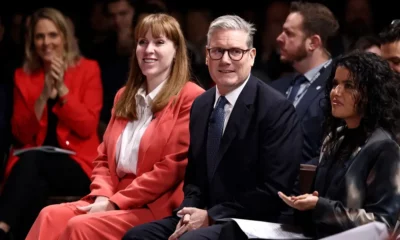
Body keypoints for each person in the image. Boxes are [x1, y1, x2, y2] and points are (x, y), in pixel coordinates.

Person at [123, 14, 303, 240]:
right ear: (207, 56)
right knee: (138, 236)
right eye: (217, 51)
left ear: (252, 56)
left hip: (254, 221)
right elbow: (194, 179)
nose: (225, 60)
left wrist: (211, 215)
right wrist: (189, 211)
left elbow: (274, 190)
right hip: (205, 215)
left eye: (235, 51)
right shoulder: (202, 104)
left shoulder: (276, 109)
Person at [26, 13, 204, 240]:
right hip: (111, 195)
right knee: (49, 215)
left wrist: (114, 202)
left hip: (152, 206)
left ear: (177, 51)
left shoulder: (190, 96)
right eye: (142, 42)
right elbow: (103, 158)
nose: (148, 49)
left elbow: (171, 169)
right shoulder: (124, 96)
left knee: (80, 227)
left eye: (159, 42)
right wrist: (102, 195)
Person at [0, 8, 103, 240]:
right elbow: (22, 135)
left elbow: (87, 126)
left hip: (77, 163)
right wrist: (44, 94)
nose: (46, 42)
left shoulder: (88, 70)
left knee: (33, 162)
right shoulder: (23, 76)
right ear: (32, 42)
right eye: (40, 36)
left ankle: (2, 226)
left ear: (64, 37)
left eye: (53, 35)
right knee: (36, 184)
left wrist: (63, 92)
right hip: (32, 167)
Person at [278, 51, 400, 238]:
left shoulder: (385, 147)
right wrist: (304, 204)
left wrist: (319, 206)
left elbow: (382, 224)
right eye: (335, 84)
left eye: (348, 85)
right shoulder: (336, 137)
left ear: (370, 93)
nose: (336, 92)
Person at [272, 1, 339, 164]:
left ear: (313, 43)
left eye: (289, 33)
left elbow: (335, 151)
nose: (279, 38)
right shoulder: (276, 87)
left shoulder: (337, 85)